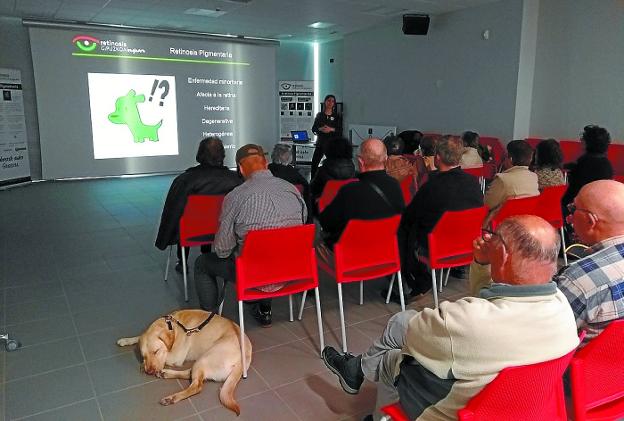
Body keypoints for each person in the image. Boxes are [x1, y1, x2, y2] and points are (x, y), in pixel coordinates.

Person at [323, 215, 579, 421]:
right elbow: (487, 305)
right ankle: (355, 370)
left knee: (393, 357)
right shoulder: (564, 309)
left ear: (501, 254)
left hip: (453, 409)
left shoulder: (464, 321)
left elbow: (414, 341)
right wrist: (481, 264)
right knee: (402, 323)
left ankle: (367, 390)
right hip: (516, 406)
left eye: (492, 236)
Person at [194, 144, 307, 327]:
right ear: (266, 163)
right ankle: (264, 311)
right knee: (272, 246)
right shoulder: (292, 190)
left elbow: (222, 251)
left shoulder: (235, 197)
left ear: (240, 168)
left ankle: (208, 322)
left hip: (255, 274)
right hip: (293, 270)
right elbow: (302, 224)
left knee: (202, 263)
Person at [398, 136, 483, 298]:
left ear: (437, 158)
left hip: (438, 246)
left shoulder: (432, 186)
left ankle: (414, 281)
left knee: (404, 230)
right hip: (466, 244)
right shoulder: (473, 182)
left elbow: (410, 215)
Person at [155, 137, 241, 272]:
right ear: (222, 154)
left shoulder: (184, 180)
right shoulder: (236, 180)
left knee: (184, 217)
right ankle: (206, 256)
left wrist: (165, 238)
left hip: (191, 231)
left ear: (200, 154)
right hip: (225, 230)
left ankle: (182, 261)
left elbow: (173, 211)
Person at [555, 180, 624, 345]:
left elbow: (544, 334)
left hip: (582, 368)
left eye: (573, 209)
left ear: (590, 221)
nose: (569, 217)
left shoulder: (578, 280)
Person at [318, 138, 404, 249]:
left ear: (360, 161)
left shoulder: (349, 191)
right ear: (386, 159)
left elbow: (326, 223)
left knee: (316, 247)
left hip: (350, 257)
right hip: (384, 254)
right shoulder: (395, 185)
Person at [561, 125, 613, 218]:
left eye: (583, 139)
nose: (581, 141)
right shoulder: (607, 164)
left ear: (588, 143)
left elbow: (573, 192)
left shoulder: (584, 163)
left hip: (583, 207)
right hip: (600, 207)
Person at [484, 139, 539, 211]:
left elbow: (486, 205)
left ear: (510, 159)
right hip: (527, 219)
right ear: (530, 159)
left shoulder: (502, 179)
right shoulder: (534, 177)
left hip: (504, 220)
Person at [268, 143, 311, 221]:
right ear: (282, 156)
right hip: (294, 209)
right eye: (289, 154)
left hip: (270, 210)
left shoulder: (267, 169)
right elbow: (306, 186)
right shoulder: (290, 171)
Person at [310, 136, 356, 203]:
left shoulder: (323, 170)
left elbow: (312, 189)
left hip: (326, 207)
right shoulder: (353, 170)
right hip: (348, 206)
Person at [311, 94, 342, 177]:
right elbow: (314, 129)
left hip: (332, 144)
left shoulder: (337, 116)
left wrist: (331, 129)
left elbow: (340, 130)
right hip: (321, 143)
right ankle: (312, 180)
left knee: (333, 164)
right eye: (328, 100)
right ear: (325, 102)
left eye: (332, 101)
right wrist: (320, 129)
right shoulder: (320, 115)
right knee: (314, 162)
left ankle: (333, 180)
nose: (330, 103)